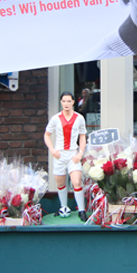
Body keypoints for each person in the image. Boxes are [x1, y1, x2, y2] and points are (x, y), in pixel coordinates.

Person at [44, 91, 87, 220]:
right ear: (61, 102)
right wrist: (52, 150)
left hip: (73, 154)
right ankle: (63, 207)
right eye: (64, 101)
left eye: (69, 101)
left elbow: (83, 136)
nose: (66, 104)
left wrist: (80, 153)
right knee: (60, 182)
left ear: (73, 102)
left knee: (77, 181)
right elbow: (47, 135)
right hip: (59, 155)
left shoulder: (79, 118)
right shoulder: (55, 118)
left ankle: (81, 210)